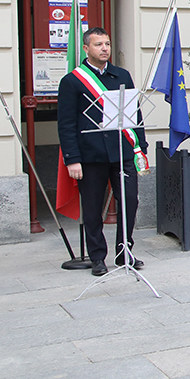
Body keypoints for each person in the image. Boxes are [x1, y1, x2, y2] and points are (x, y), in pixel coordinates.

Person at [56, 27, 149, 277]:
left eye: (107, 43)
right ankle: (97, 257)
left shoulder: (122, 75)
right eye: (98, 44)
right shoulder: (72, 81)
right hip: (91, 156)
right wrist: (72, 159)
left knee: (129, 202)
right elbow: (66, 125)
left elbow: (135, 115)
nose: (105, 48)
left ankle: (124, 251)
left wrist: (141, 147)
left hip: (122, 152)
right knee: (93, 207)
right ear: (86, 49)